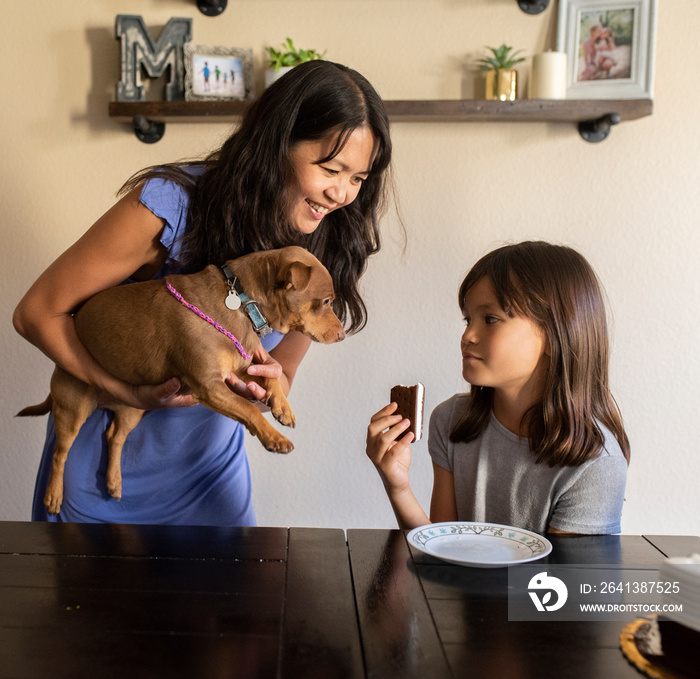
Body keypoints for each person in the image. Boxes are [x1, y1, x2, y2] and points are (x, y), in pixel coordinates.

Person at [14, 59, 393, 525]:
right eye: (331, 169)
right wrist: (126, 392)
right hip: (99, 474)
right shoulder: (169, 205)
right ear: (277, 144)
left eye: (358, 179)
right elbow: (36, 313)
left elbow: (284, 369)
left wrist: (267, 385)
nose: (342, 194)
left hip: (211, 479)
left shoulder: (322, 247)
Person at [366, 241, 630, 535]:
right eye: (468, 319)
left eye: (490, 319)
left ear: (555, 337)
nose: (468, 335)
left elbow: (561, 582)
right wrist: (398, 485)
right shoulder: (451, 422)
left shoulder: (596, 465)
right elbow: (444, 552)